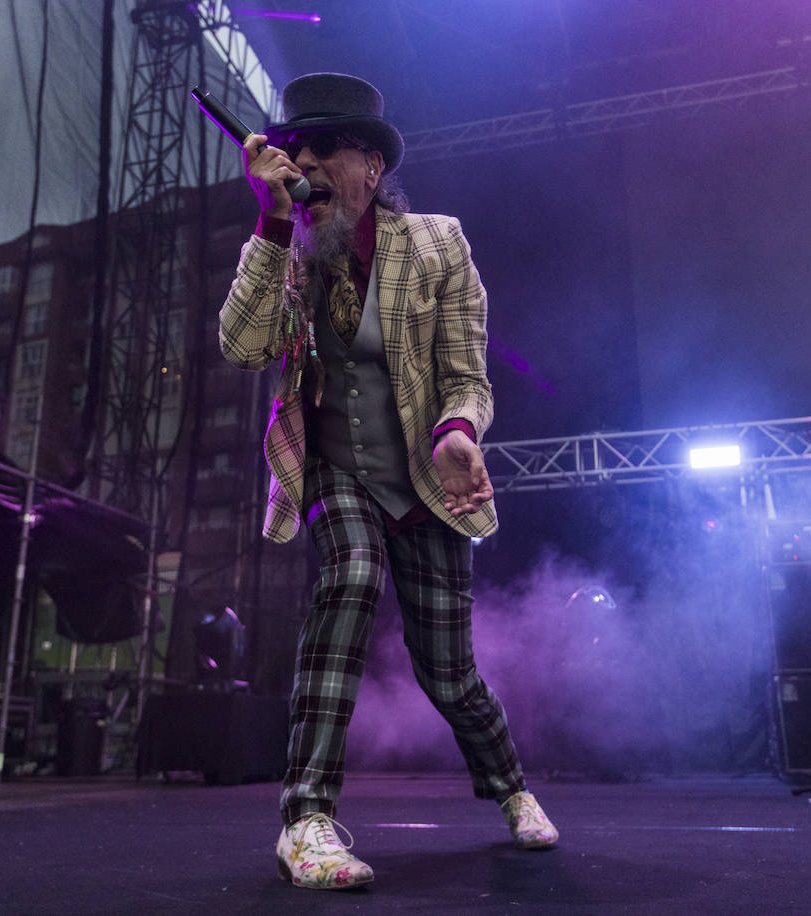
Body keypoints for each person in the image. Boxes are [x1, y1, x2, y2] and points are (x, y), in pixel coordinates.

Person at [218, 72, 557, 891]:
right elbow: (243, 347)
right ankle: (306, 819)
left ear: (369, 165)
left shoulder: (439, 243)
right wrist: (270, 224)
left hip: (423, 481)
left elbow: (466, 375)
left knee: (448, 671)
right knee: (351, 578)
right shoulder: (283, 250)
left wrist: (455, 433)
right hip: (336, 472)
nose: (307, 163)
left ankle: (510, 786)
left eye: (325, 148)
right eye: (297, 149)